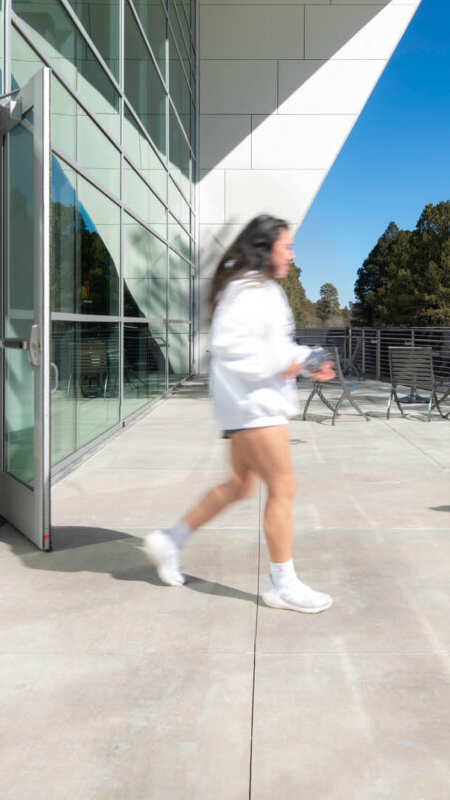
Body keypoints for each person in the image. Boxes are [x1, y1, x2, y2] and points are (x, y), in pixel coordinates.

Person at [143, 216, 337, 612]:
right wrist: (285, 363)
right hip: (254, 407)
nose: (292, 253)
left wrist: (304, 360)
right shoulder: (245, 291)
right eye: (287, 246)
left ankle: (170, 542)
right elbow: (231, 348)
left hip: (251, 406)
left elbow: (276, 345)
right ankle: (283, 583)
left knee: (239, 485)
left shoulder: (262, 289)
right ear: (266, 249)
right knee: (282, 489)